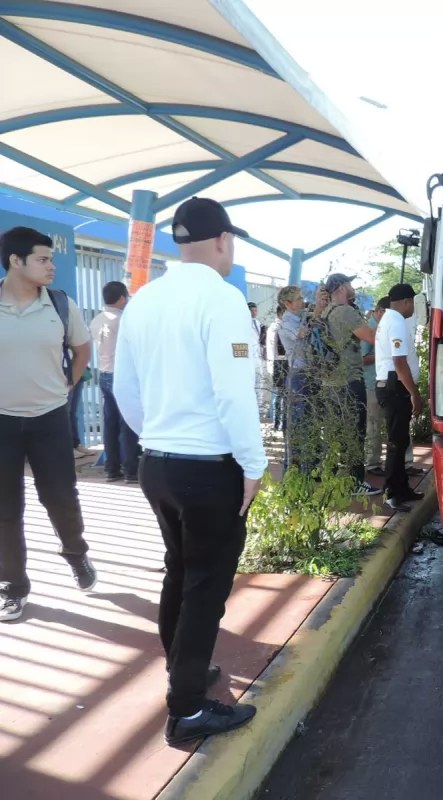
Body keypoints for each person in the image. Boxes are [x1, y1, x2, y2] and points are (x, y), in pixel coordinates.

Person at [113, 196, 265, 745]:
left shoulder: (144, 300)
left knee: (179, 569)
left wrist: (157, 436)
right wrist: (254, 464)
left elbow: (124, 389)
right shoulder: (223, 300)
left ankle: (184, 669)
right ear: (222, 240)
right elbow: (234, 391)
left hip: (157, 463)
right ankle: (188, 708)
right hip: (209, 469)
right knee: (206, 584)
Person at [0, 226, 97, 623]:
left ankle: (75, 554)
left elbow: (82, 348)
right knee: (5, 510)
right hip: (2, 423)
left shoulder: (60, 304)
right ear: (15, 261)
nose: (50, 266)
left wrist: (68, 385)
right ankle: (13, 586)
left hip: (50, 419)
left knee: (60, 497)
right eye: (42, 259)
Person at [321, 273, 379, 496]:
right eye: (350, 283)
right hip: (348, 381)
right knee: (356, 433)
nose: (352, 287)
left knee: (336, 433)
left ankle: (336, 480)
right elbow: (371, 337)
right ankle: (355, 484)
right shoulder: (345, 311)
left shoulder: (325, 312)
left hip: (330, 382)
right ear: (342, 287)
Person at [375, 283, 426, 510]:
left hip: (395, 386)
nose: (414, 308)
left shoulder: (391, 319)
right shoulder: (395, 321)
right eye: (413, 303)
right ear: (406, 301)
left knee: (401, 439)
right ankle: (391, 494)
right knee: (396, 443)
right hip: (395, 388)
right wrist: (414, 393)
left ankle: (402, 488)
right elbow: (399, 361)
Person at [90, 281, 140, 483]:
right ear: (121, 297)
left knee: (110, 424)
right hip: (122, 376)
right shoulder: (124, 321)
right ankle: (131, 470)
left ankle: (112, 469)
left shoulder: (96, 319)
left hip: (104, 374)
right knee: (127, 423)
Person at [275, 286, 310, 469]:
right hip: (298, 376)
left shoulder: (299, 318)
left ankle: (305, 467)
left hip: (306, 375)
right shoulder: (286, 323)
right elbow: (302, 335)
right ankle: (294, 470)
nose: (302, 301)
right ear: (288, 304)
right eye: (298, 299)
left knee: (306, 423)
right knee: (298, 425)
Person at [362, 296, 389, 476]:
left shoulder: (382, 326)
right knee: (373, 424)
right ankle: (372, 463)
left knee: (381, 423)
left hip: (383, 382)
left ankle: (376, 461)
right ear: (378, 311)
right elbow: (362, 359)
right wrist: (384, 354)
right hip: (371, 383)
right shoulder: (368, 329)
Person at [265, 304, 288, 432]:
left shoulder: (271, 327)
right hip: (281, 362)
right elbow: (282, 349)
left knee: (278, 395)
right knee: (282, 395)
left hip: (275, 362)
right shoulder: (280, 327)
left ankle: (277, 422)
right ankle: (282, 423)